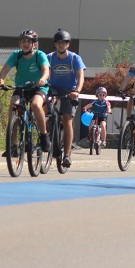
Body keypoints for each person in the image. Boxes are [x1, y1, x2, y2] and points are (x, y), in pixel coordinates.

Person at [0, 29, 50, 154]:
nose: (25, 44)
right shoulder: (16, 55)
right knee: (14, 106)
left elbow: (46, 70)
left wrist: (42, 79)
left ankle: (43, 135)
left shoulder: (39, 55)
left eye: (28, 41)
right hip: (21, 88)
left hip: (38, 88)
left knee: (36, 105)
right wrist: (1, 79)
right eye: (23, 41)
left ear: (34, 44)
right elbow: (5, 69)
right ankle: (12, 144)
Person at [48, 28, 85, 168]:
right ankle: (46, 137)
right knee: (45, 108)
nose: (60, 45)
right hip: (54, 89)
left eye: (63, 43)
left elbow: (80, 76)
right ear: (55, 44)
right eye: (58, 43)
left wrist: (77, 90)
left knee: (67, 119)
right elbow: (44, 71)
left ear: (68, 44)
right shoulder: (50, 57)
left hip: (70, 91)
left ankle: (67, 154)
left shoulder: (75, 58)